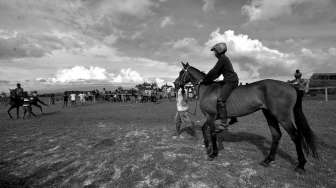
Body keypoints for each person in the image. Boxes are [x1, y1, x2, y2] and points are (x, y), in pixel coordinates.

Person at [199, 42, 239, 131]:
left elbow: (214, 71)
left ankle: (224, 123)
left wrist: (205, 80)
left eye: (215, 52)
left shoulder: (222, 59)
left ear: (218, 51)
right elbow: (217, 73)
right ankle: (233, 117)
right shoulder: (223, 59)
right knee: (216, 86)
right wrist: (209, 80)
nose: (214, 54)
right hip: (229, 79)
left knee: (221, 100)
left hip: (231, 81)